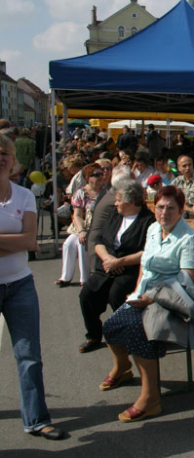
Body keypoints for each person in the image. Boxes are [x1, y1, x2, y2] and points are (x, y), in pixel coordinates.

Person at [101, 186, 194, 423]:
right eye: (160, 207)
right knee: (110, 326)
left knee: (139, 331)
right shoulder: (153, 229)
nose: (164, 212)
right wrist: (137, 290)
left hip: (172, 298)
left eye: (171, 208)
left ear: (181, 210)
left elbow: (188, 278)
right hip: (146, 293)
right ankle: (123, 367)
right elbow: (145, 262)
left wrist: (152, 297)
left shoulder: (190, 238)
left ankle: (150, 397)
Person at [0, 133, 66, 440]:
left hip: (20, 284)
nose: (1, 158)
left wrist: (20, 242)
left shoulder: (23, 195)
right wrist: (15, 242)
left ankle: (37, 419)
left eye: (5, 153)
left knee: (29, 356)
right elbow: (24, 241)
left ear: (13, 160)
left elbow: (30, 241)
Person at [78, 180, 155, 354]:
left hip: (131, 269)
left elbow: (148, 251)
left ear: (132, 202)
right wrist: (109, 259)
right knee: (87, 294)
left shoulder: (148, 221)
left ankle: (128, 337)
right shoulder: (115, 215)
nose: (115, 203)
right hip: (107, 266)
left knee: (117, 295)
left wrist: (121, 262)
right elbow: (99, 241)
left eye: (119, 200)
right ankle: (93, 335)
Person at [57, 162, 105, 287]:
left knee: (81, 244)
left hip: (100, 227)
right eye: (96, 175)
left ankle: (85, 277)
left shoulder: (106, 191)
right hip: (85, 225)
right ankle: (66, 277)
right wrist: (82, 230)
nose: (100, 177)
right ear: (88, 178)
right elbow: (77, 215)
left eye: (101, 174)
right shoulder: (81, 193)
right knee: (68, 244)